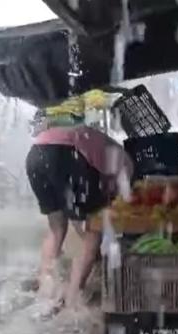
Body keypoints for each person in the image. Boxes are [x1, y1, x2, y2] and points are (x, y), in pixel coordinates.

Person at [26, 98, 133, 309]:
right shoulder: (125, 162)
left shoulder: (93, 138)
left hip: (36, 155)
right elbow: (118, 196)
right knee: (93, 230)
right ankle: (73, 298)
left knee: (56, 229)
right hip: (67, 155)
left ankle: (45, 287)